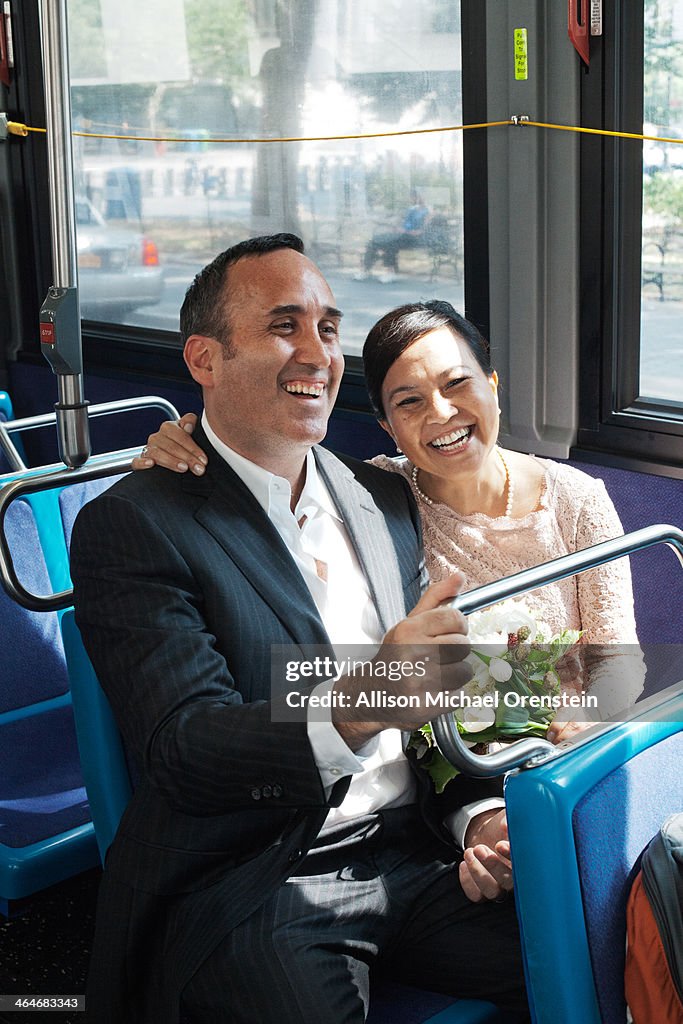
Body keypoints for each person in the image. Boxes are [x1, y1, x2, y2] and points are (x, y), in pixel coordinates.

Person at [71, 236, 529, 1024]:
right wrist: (364, 700)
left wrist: (476, 814)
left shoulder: (379, 499)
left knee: (597, 940)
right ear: (204, 360)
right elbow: (184, 744)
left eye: (326, 327)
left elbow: (441, 698)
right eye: (284, 324)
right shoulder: (137, 525)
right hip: (262, 874)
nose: (316, 351)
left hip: (413, 848)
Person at [141, 301, 644, 736]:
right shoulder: (372, 494)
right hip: (441, 755)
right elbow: (266, 463)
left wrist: (589, 716)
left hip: (566, 745)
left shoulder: (577, 501)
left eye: (458, 384)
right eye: (410, 402)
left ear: (492, 384)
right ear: (387, 426)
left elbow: (619, 656)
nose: (442, 413)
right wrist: (186, 447)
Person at [355, 192, 430, 283]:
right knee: (373, 242)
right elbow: (400, 222)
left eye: (416, 197)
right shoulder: (410, 210)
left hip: (414, 239)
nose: (414, 199)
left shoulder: (427, 212)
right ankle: (365, 270)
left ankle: (391, 273)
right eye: (413, 197)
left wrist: (405, 231)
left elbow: (422, 231)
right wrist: (394, 227)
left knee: (390, 244)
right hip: (401, 236)